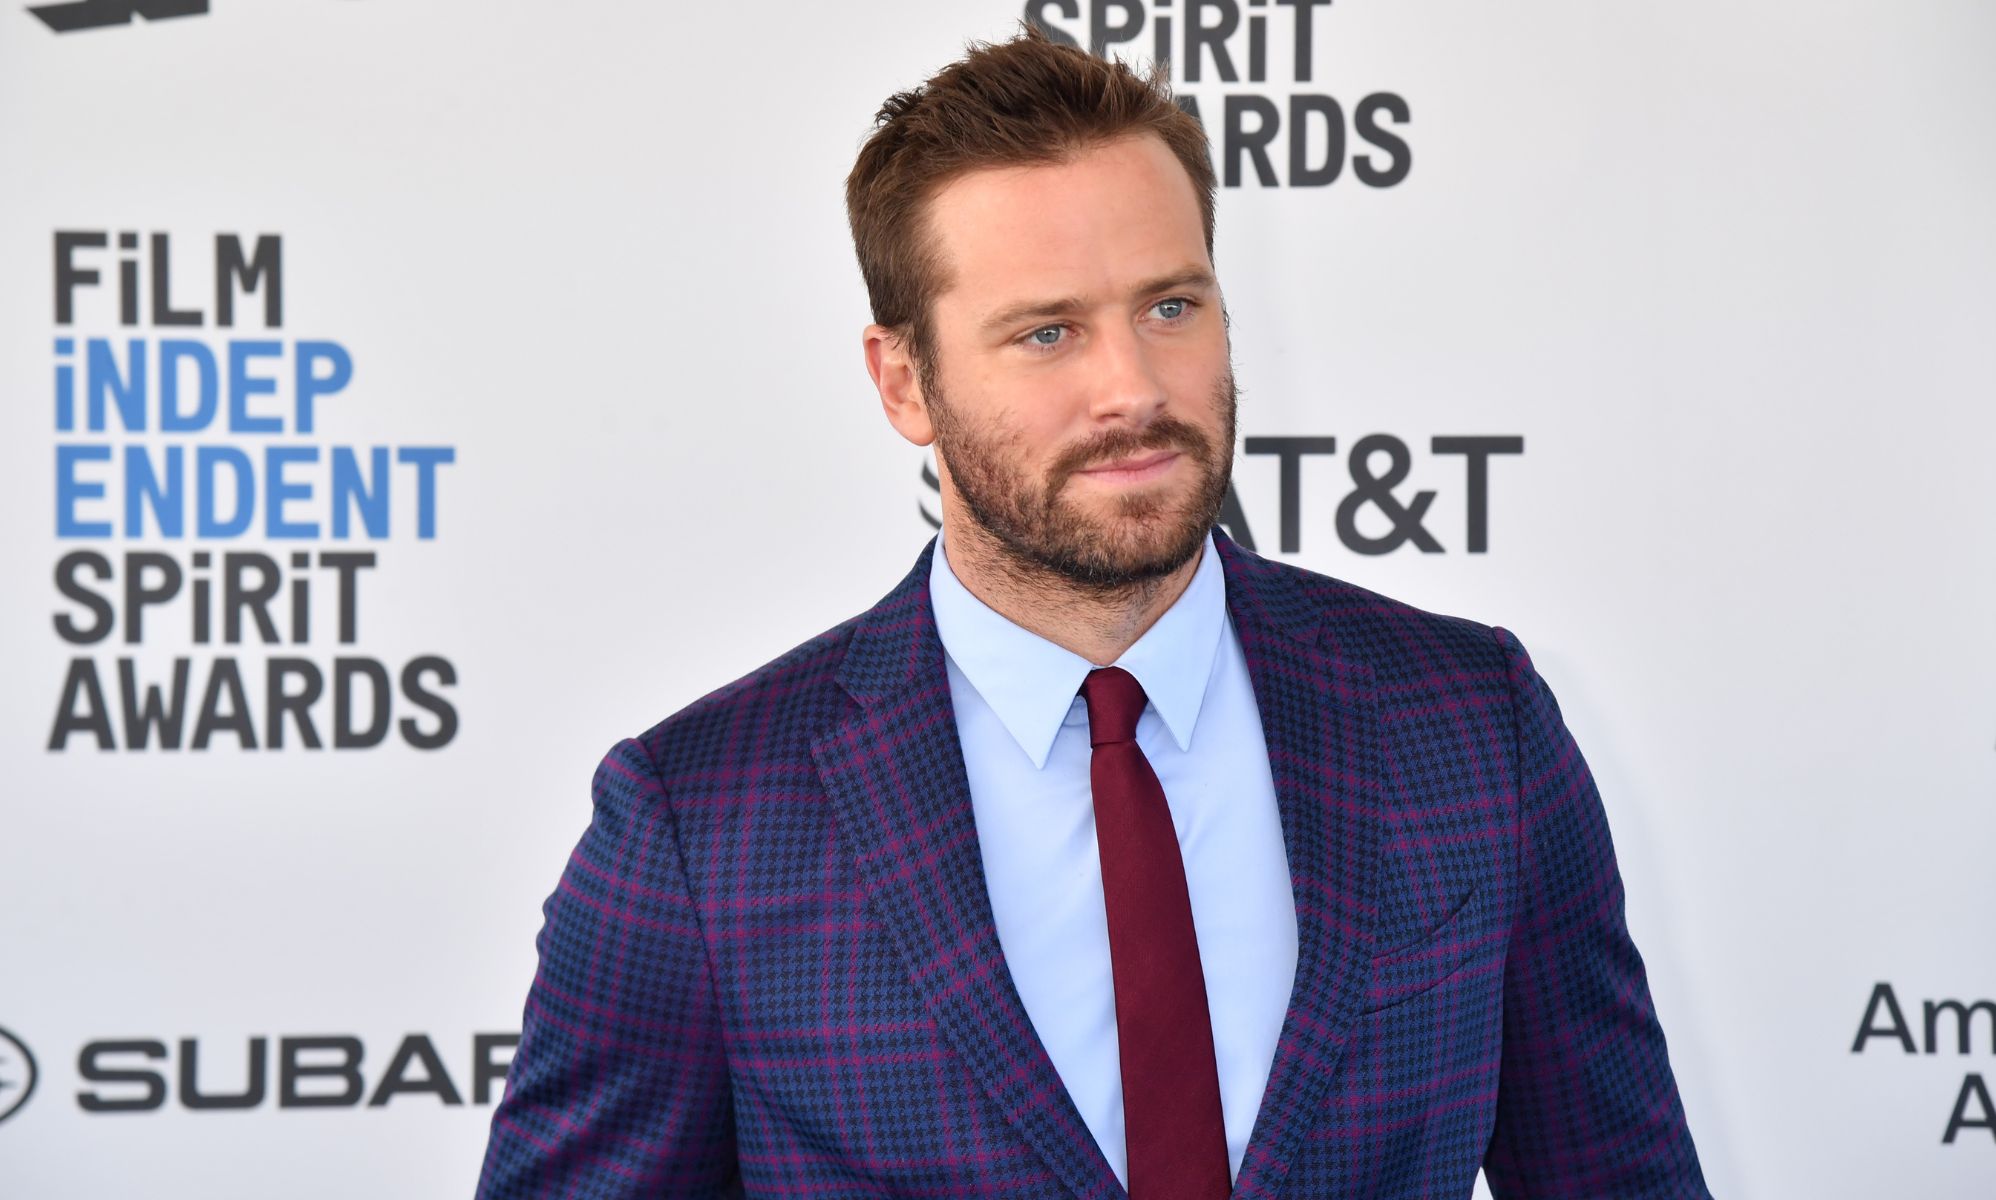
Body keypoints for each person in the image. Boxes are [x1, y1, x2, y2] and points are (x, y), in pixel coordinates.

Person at [476, 27, 1710, 1200]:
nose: (1131, 389)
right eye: (1047, 332)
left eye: (1170, 307)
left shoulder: (1470, 726)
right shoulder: (701, 828)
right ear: (904, 382)